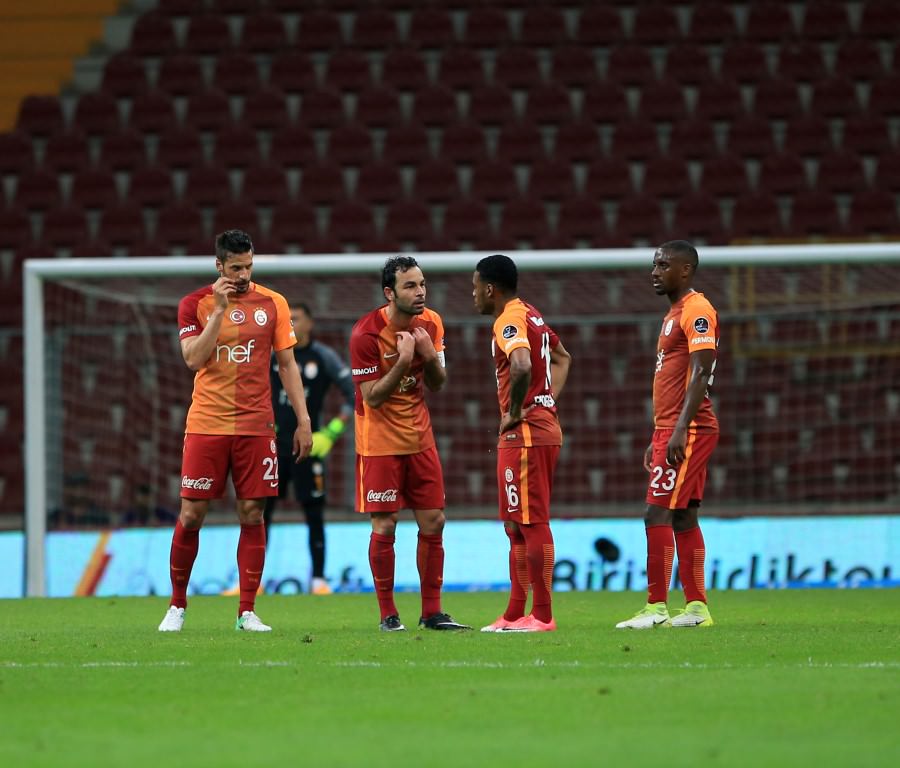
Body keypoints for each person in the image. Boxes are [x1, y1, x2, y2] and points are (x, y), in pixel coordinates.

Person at [158, 229, 313, 633]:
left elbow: (287, 365)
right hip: (207, 424)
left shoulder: (274, 303)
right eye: (236, 268)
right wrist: (219, 312)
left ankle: (247, 611)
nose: (243, 275)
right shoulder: (194, 304)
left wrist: (303, 420)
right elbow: (193, 359)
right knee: (191, 514)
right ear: (219, 265)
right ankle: (177, 605)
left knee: (253, 512)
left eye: (248, 266)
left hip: (256, 425)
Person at [349, 255, 469, 632]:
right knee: (385, 525)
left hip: (420, 436)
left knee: (434, 520)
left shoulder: (431, 323)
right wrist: (402, 362)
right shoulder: (365, 334)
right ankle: (388, 615)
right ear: (390, 293)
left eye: (422, 284)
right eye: (410, 286)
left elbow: (437, 383)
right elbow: (372, 398)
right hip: (378, 441)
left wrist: (429, 356)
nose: (420, 293)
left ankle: (432, 612)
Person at [616, 240, 719, 629]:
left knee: (655, 512)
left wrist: (678, 429)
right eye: (654, 265)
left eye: (663, 265)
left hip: (689, 428)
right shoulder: (674, 313)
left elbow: (701, 371)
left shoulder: (697, 310)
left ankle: (656, 607)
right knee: (684, 516)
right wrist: (660, 432)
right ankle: (696, 608)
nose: (654, 272)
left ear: (685, 270)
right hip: (673, 427)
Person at [472, 254, 572, 633]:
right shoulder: (532, 314)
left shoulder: (509, 319)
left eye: (475, 288)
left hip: (527, 433)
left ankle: (543, 615)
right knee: (515, 524)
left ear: (490, 289)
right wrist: (546, 399)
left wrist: (516, 410)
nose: (473, 295)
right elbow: (563, 358)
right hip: (530, 430)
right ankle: (515, 613)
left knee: (531, 522)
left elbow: (522, 365)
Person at [264, 301, 354, 595]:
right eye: (287, 318)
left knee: (314, 513)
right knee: (259, 512)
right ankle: (251, 581)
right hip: (273, 447)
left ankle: (318, 580)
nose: (291, 323)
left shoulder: (323, 356)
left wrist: (332, 432)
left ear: (310, 323)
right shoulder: (271, 354)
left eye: (297, 318)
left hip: (309, 446)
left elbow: (354, 394)